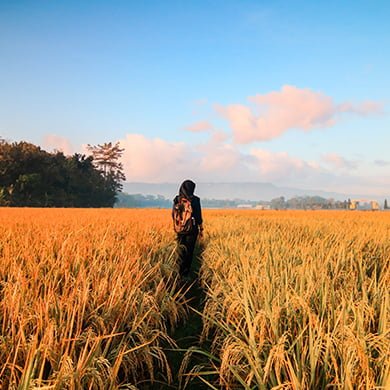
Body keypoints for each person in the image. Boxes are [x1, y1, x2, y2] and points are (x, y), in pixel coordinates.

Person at [172, 179, 203, 277]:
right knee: (189, 251)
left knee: (180, 250)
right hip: (192, 230)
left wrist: (178, 224)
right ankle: (185, 273)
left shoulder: (177, 199)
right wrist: (201, 228)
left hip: (180, 230)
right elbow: (198, 216)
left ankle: (178, 271)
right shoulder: (195, 200)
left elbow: (173, 214)